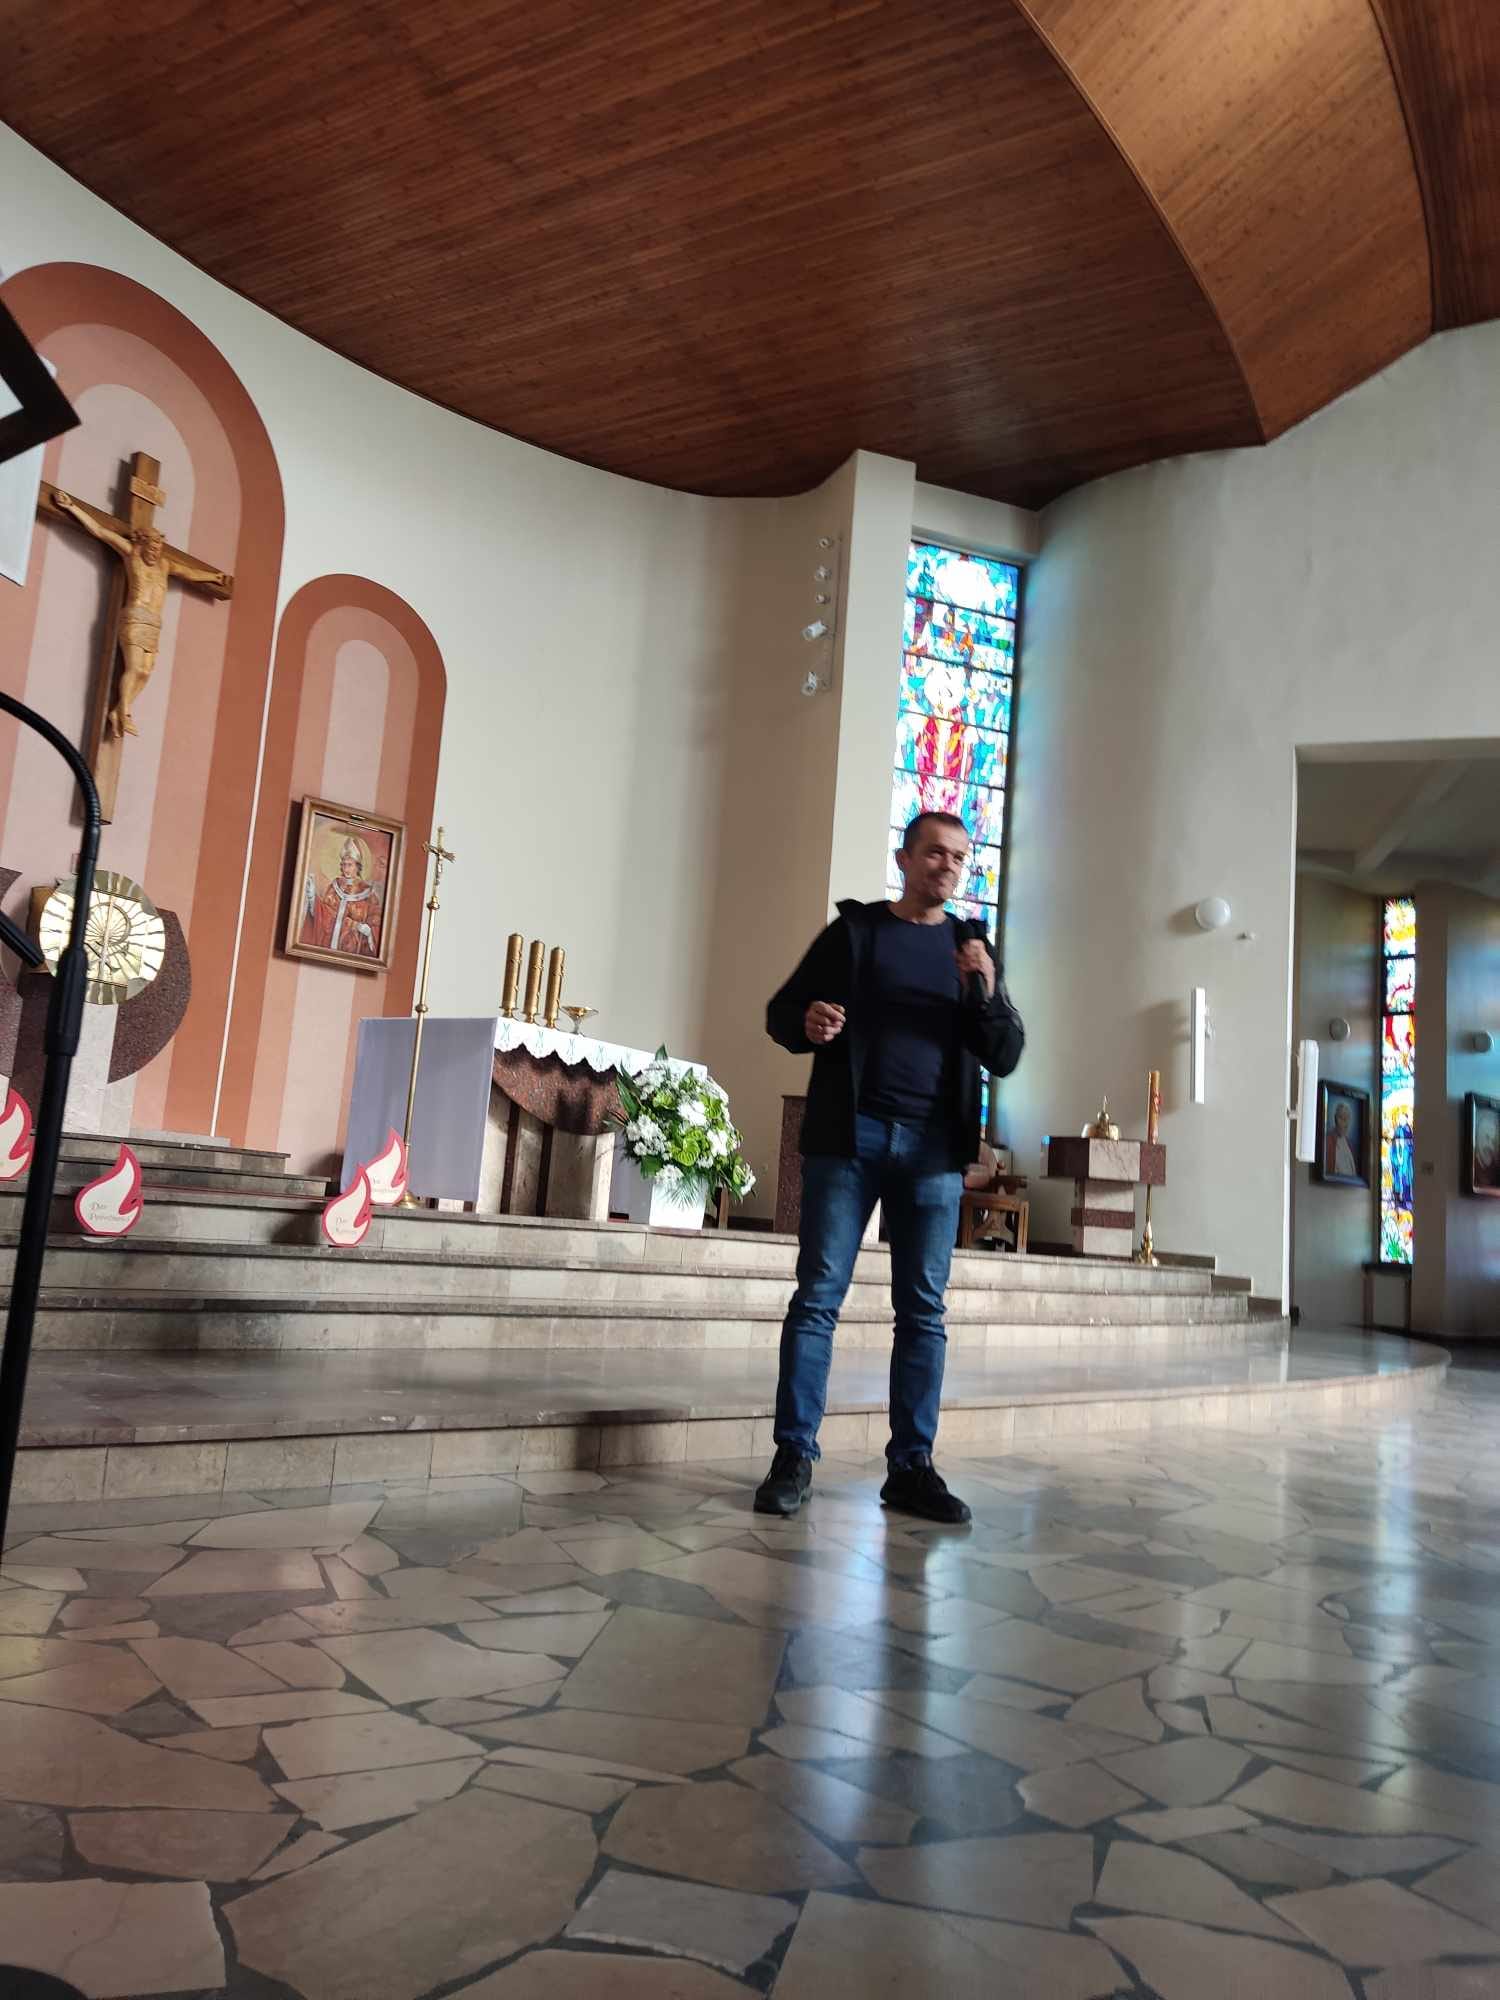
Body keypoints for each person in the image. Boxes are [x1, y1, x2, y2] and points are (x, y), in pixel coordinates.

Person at [756, 810, 1025, 1522]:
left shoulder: (972, 948)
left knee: (924, 1312)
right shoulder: (856, 933)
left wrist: (986, 989)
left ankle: (911, 1469)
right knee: (818, 1300)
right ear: (905, 860)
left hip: (933, 1154)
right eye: (934, 852)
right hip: (852, 1141)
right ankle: (793, 1456)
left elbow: (1005, 1053)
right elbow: (783, 1012)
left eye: (959, 857)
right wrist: (806, 1022)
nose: (948, 866)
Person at [303, 835, 382, 957]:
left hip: (353, 951)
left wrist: (368, 929)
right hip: (328, 946)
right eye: (344, 864)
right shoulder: (335, 886)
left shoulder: (368, 894)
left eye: (350, 865)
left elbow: (376, 920)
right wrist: (312, 897)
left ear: (358, 866)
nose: (346, 869)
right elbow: (323, 915)